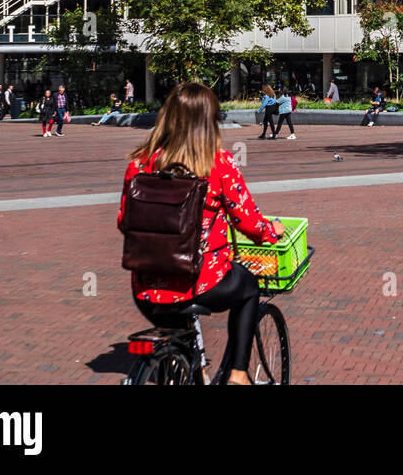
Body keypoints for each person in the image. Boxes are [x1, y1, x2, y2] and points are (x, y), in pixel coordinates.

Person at [119, 82, 284, 386]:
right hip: (201, 280)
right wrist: (271, 232)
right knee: (248, 286)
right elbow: (246, 221)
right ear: (209, 121)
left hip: (146, 286)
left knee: (180, 338)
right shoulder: (218, 163)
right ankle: (237, 373)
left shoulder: (139, 163)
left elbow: (123, 221)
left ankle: (191, 372)